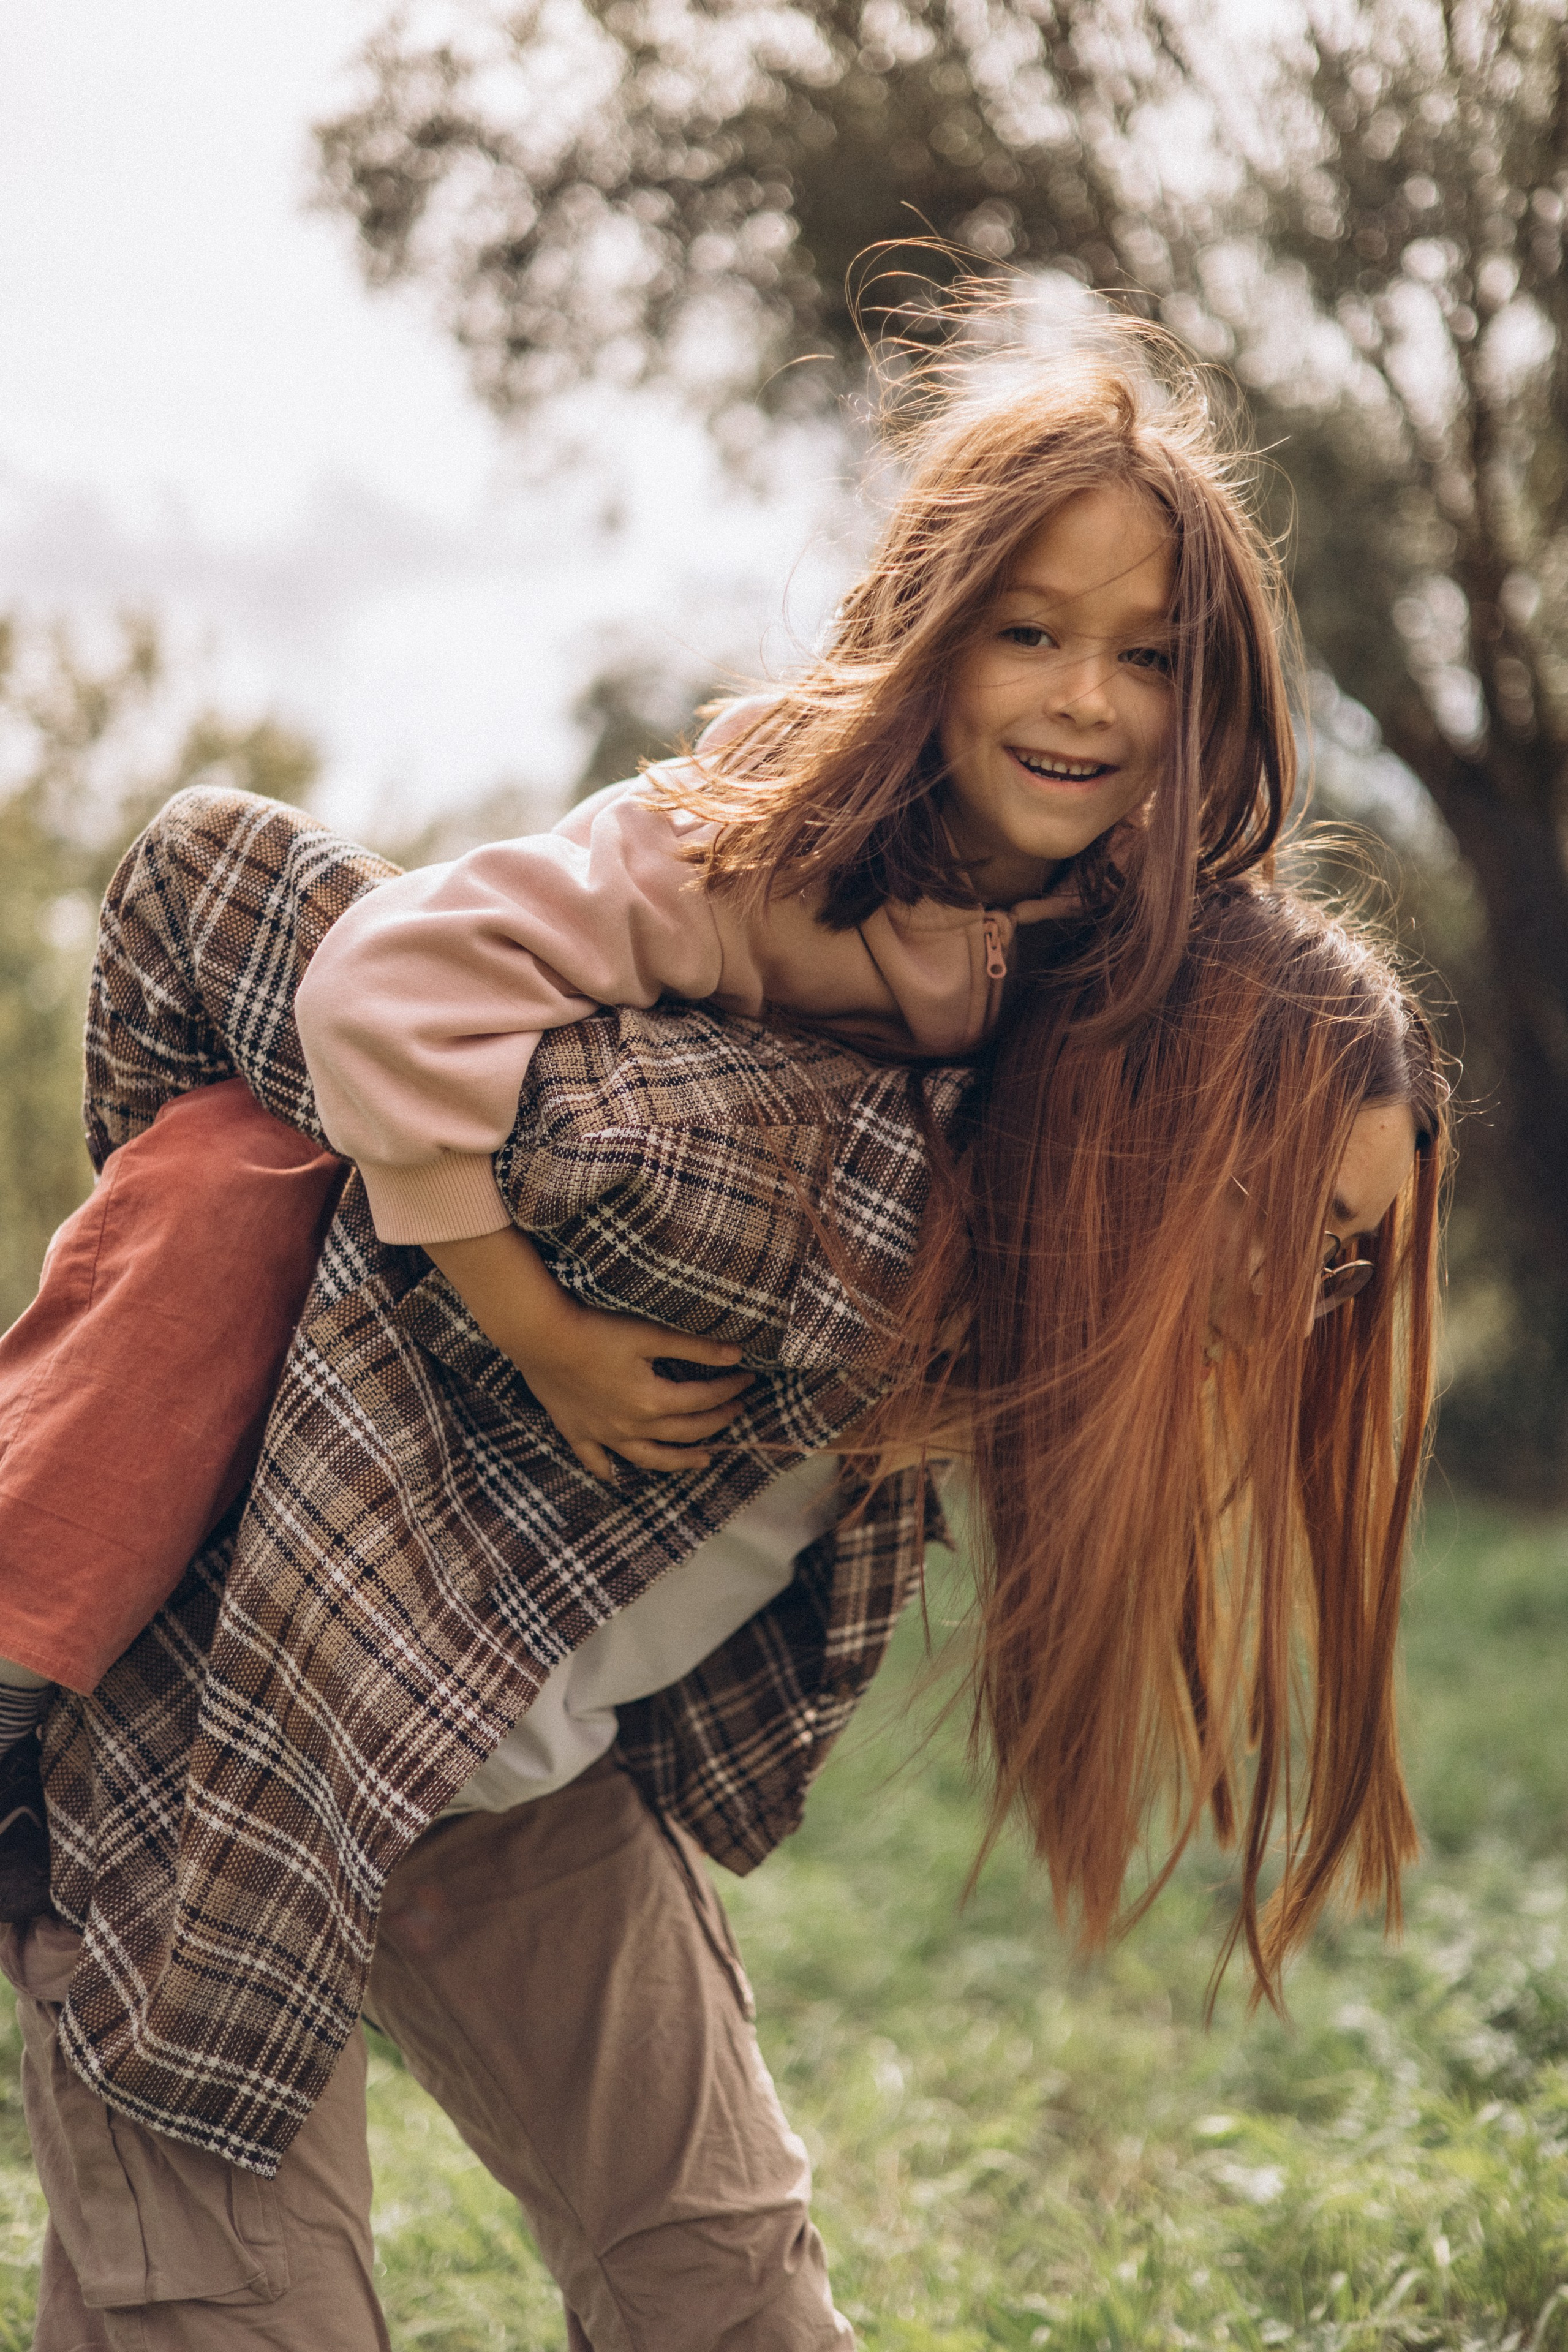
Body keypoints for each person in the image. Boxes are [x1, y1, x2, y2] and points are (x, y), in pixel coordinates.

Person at [8, 782, 1443, 2351]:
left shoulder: (1034, 1322)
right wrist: (174, 1242)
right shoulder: (758, 1179)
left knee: (728, 2294)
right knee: (241, 2321)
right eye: (1292, 1224)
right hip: (227, 1764)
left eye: (1345, 1256)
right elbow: (224, 876)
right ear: (1155, 1138)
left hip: (508, 1772)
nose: (1307, 1300)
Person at [0, 330, 1300, 1910]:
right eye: (1026, 633)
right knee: (224, 1177)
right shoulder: (752, 849)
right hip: (474, 1195)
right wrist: (532, 1323)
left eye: (1148, 656)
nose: (1086, 701)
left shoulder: (1126, 932)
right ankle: (24, 1682)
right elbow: (382, 990)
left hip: (696, 1383)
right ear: (928, 639)